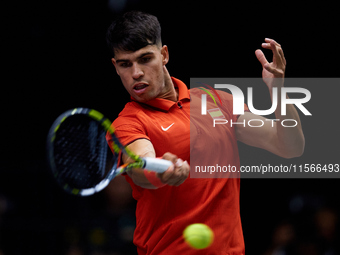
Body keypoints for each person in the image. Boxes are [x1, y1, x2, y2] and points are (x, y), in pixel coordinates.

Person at [105, 11, 305, 255]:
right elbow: (138, 166)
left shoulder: (214, 99)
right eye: (126, 64)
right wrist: (162, 169)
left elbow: (290, 147)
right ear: (116, 67)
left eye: (145, 59)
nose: (136, 73)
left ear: (164, 55)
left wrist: (279, 92)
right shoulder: (129, 122)